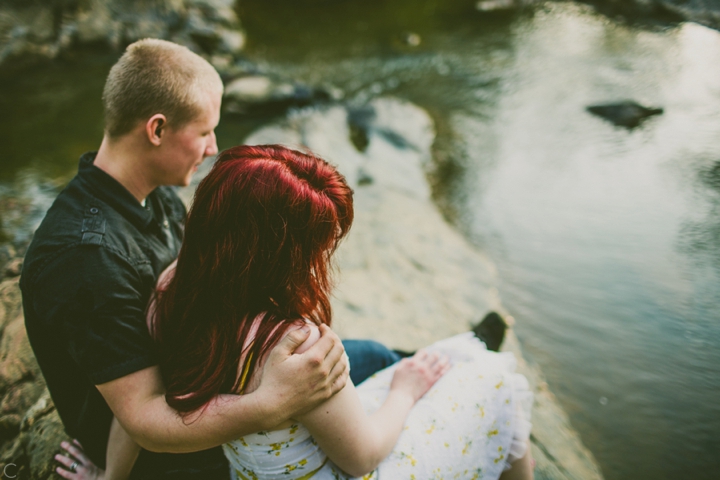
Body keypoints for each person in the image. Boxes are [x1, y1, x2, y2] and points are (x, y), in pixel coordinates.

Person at [20, 39, 398, 480]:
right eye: (204, 132)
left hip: (212, 366)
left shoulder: (151, 195)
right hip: (182, 440)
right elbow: (144, 420)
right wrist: (271, 402)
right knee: (379, 368)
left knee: (376, 354)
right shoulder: (87, 258)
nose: (212, 147)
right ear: (157, 130)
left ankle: (442, 355)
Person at [91, 144, 534, 479]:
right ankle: (467, 351)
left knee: (419, 358)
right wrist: (406, 389)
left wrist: (109, 477)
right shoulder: (295, 347)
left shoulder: (170, 288)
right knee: (495, 383)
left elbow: (136, 409)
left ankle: (453, 350)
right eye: (316, 248)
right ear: (278, 255)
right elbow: (361, 459)